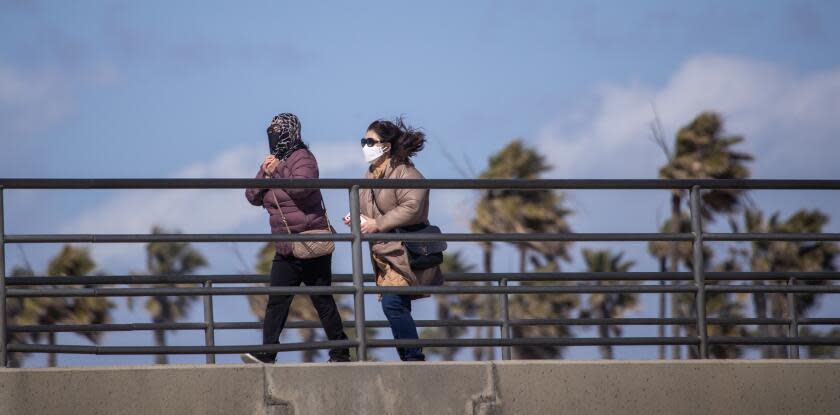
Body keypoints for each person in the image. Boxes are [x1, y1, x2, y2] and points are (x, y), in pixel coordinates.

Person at [242, 113, 351, 363]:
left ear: (291, 132)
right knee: (277, 300)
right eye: (271, 130)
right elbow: (252, 195)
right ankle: (268, 353)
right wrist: (266, 172)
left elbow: (302, 188)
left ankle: (341, 351)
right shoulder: (272, 162)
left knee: (321, 299)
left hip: (309, 241)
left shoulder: (303, 158)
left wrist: (277, 170)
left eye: (278, 130)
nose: (273, 135)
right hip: (286, 246)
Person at [343, 117, 443, 362]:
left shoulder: (405, 172)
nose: (365, 146)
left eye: (370, 141)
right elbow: (370, 208)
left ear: (386, 146)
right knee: (397, 304)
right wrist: (358, 218)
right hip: (385, 253)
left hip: (404, 251)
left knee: (392, 304)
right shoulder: (370, 174)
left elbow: (413, 206)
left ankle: (412, 356)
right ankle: (409, 356)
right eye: (363, 141)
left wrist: (377, 223)